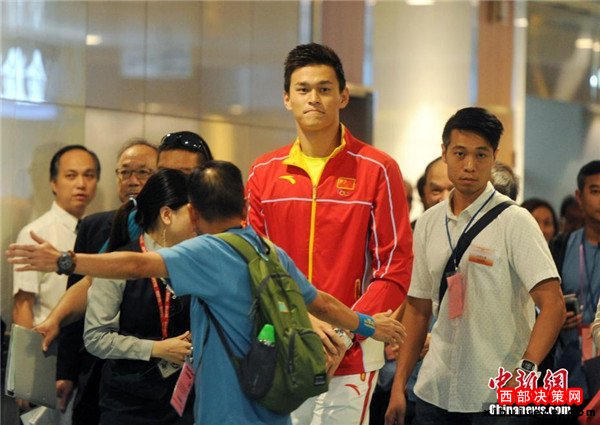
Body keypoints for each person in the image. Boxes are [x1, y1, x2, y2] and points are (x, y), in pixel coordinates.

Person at [7, 160, 406, 425]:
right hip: (273, 406)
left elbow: (136, 265)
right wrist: (371, 326)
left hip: (226, 413)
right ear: (245, 206)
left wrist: (65, 261)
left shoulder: (208, 251)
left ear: (194, 213)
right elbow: (323, 303)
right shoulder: (269, 250)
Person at [246, 43, 413, 424]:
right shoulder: (263, 172)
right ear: (287, 98)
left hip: (351, 353)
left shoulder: (378, 168)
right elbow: (253, 266)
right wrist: (301, 321)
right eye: (303, 89)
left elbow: (395, 267)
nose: (314, 99)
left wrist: (343, 331)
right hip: (282, 345)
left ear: (343, 96)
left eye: (324, 89)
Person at [385, 107, 565, 425]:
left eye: (481, 155)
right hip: (434, 392)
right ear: (444, 153)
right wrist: (399, 386)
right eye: (460, 153)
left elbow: (553, 305)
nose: (469, 165)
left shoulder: (516, 221)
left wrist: (526, 370)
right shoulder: (428, 222)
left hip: (497, 395)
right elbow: (418, 308)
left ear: (494, 156)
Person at [55, 139, 158, 425]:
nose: (132, 180)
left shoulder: (169, 231)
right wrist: (65, 372)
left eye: (143, 172)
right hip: (95, 364)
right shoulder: (94, 226)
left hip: (148, 366)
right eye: (125, 172)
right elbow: (77, 299)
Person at [84, 169, 195, 424]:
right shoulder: (119, 264)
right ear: (166, 215)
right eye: (193, 212)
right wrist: (156, 348)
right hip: (128, 403)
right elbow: (95, 338)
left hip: (184, 400)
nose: (199, 221)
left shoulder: (194, 262)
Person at [11, 144, 100, 413]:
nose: (81, 184)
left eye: (89, 175)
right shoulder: (36, 233)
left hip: (86, 357)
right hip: (48, 353)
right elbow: (23, 305)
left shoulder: (97, 229)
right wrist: (27, 373)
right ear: (53, 182)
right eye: (71, 175)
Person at [372, 156, 452, 425]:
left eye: (451, 189)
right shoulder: (405, 241)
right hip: (403, 374)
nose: (444, 198)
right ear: (424, 193)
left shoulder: (481, 238)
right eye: (436, 190)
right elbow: (400, 300)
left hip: (457, 377)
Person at [549, 160, 600, 418]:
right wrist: (554, 316)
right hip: (566, 371)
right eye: (595, 191)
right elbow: (537, 303)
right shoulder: (560, 246)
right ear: (579, 197)